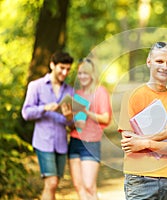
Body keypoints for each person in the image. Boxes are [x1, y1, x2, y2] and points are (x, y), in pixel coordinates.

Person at [118, 41, 167, 200]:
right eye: (159, 61)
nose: (164, 66)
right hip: (139, 178)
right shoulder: (132, 96)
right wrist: (163, 134)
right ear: (149, 61)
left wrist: (145, 143)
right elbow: (129, 143)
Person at [22, 51, 74, 200]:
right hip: (43, 142)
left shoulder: (70, 91)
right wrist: (43, 108)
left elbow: (72, 123)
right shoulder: (36, 86)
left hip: (61, 144)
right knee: (51, 182)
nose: (65, 72)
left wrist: (70, 118)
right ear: (52, 65)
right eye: (62, 68)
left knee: (54, 183)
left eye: (68, 69)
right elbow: (26, 113)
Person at [68, 58, 112, 200]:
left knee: (89, 186)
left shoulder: (100, 92)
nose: (82, 77)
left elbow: (106, 118)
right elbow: (72, 122)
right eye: (80, 73)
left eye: (85, 73)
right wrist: (69, 117)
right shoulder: (77, 94)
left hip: (91, 143)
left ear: (92, 74)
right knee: (79, 186)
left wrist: (88, 113)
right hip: (74, 141)